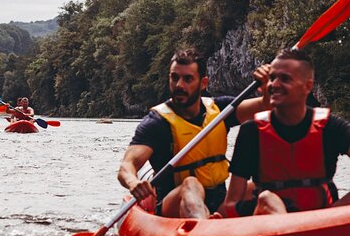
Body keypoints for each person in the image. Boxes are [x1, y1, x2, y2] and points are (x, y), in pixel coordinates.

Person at [117, 48, 271, 219]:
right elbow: (127, 166)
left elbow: (266, 106)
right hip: (173, 205)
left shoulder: (221, 110)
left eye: (188, 79)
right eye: (174, 78)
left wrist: (267, 86)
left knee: (252, 188)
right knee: (191, 184)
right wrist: (133, 182)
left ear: (203, 83)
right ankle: (205, 227)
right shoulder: (156, 123)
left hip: (218, 200)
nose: (179, 85)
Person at [218, 49, 350, 217]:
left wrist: (333, 212)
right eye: (272, 78)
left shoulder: (332, 127)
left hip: (320, 223)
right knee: (266, 198)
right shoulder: (251, 132)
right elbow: (231, 204)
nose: (274, 85)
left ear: (308, 86)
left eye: (285, 79)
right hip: (269, 224)